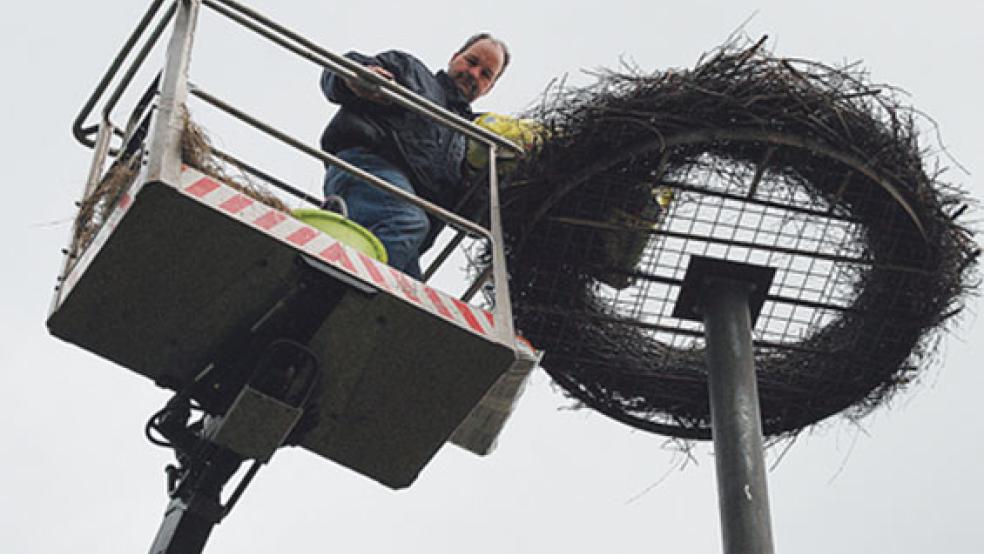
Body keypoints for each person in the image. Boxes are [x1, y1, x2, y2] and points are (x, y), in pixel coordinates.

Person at [320, 34, 509, 279]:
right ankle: (337, 287)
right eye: (471, 61)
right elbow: (343, 70)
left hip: (408, 238)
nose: (474, 73)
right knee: (406, 222)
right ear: (455, 57)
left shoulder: (472, 139)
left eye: (485, 74)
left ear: (489, 88)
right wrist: (355, 77)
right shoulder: (410, 71)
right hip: (367, 169)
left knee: (408, 288)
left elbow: (469, 214)